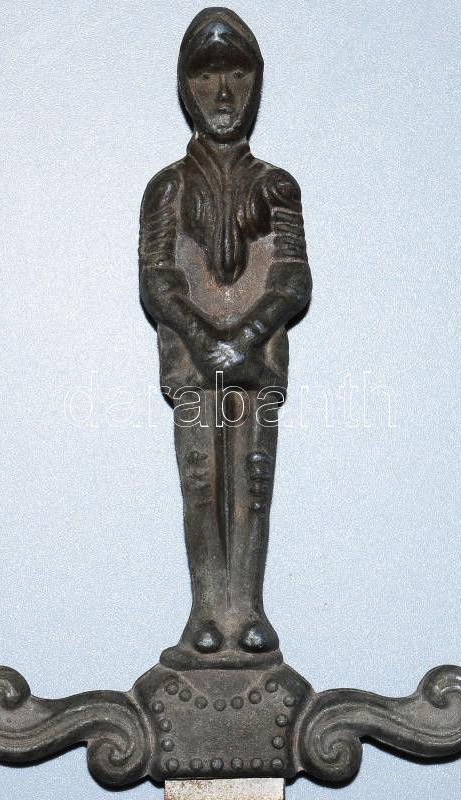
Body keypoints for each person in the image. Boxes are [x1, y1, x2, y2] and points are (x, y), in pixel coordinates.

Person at [139, 7, 312, 668]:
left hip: (254, 361)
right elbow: (159, 279)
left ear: (255, 82)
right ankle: (208, 609)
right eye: (205, 75)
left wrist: (245, 335)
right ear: (186, 86)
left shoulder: (276, 186)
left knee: (254, 477)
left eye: (238, 74)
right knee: (201, 477)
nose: (222, 93)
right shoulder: (168, 188)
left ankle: (247, 607)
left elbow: (292, 276)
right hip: (193, 362)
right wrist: (202, 334)